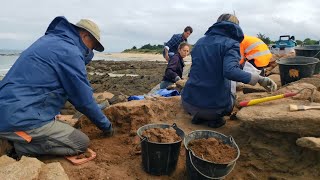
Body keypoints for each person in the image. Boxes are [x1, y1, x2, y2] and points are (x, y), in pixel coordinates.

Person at [0, 16, 114, 158]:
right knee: (80, 142)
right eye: (93, 46)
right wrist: (107, 127)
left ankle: (17, 136)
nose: (91, 51)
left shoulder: (50, 41)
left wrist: (53, 110)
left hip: (6, 111)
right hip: (19, 119)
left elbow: (41, 84)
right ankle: (19, 149)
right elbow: (84, 101)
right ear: (85, 36)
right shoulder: (70, 52)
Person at [181, 13, 277, 128]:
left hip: (189, 103)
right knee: (231, 79)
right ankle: (214, 119)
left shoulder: (200, 42)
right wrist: (260, 79)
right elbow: (230, 71)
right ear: (235, 27)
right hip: (215, 109)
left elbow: (193, 71)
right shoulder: (231, 44)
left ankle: (199, 116)